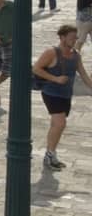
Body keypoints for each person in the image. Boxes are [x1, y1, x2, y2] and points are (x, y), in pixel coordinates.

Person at [33, 24, 92, 170]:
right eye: (72, 38)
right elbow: (36, 69)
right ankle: (50, 155)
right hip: (51, 92)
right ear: (62, 37)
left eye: (75, 38)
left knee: (57, 125)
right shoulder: (51, 53)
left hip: (66, 94)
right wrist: (55, 79)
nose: (74, 40)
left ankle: (51, 153)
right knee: (60, 123)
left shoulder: (75, 55)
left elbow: (83, 73)